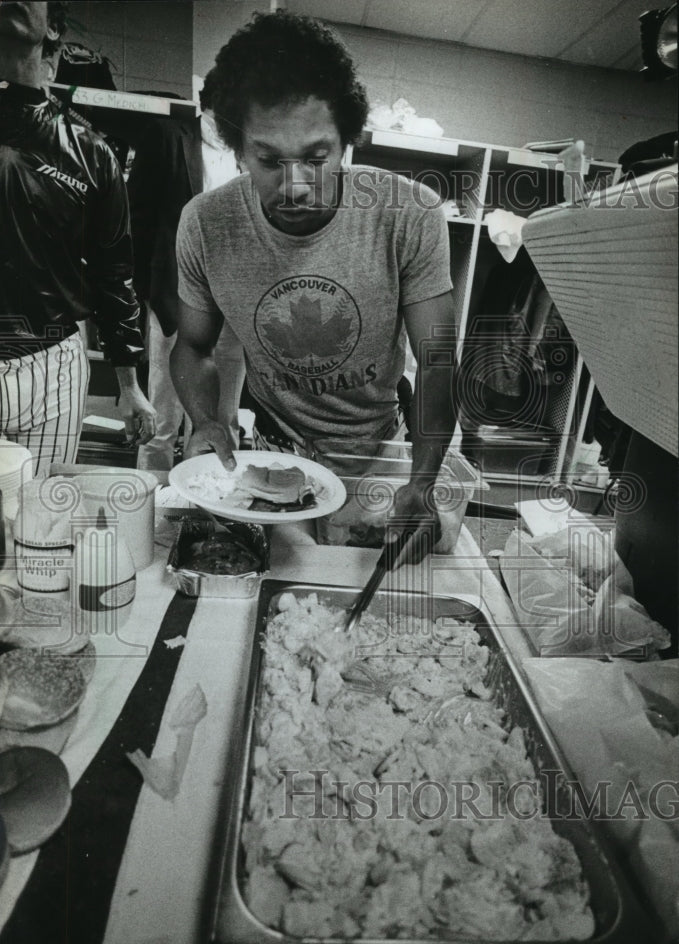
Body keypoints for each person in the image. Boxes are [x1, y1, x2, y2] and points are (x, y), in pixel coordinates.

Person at [171, 11, 458, 565]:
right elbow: (193, 346)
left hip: (382, 449)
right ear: (236, 148)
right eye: (269, 160)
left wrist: (422, 482)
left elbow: (439, 362)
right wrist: (207, 422)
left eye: (316, 157)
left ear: (347, 141)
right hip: (274, 449)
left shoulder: (408, 214)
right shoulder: (206, 224)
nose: (297, 186)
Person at [0, 1, 155, 477]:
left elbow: (114, 273)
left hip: (53, 368)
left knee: (39, 528)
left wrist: (129, 385)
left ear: (54, 30)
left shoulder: (91, 152)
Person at [127, 71, 245, 472]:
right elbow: (137, 221)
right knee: (163, 419)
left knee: (223, 420)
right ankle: (152, 515)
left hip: (234, 309)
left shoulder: (252, 154)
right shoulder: (166, 137)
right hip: (175, 301)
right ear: (209, 97)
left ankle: (211, 513)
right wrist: (146, 294)